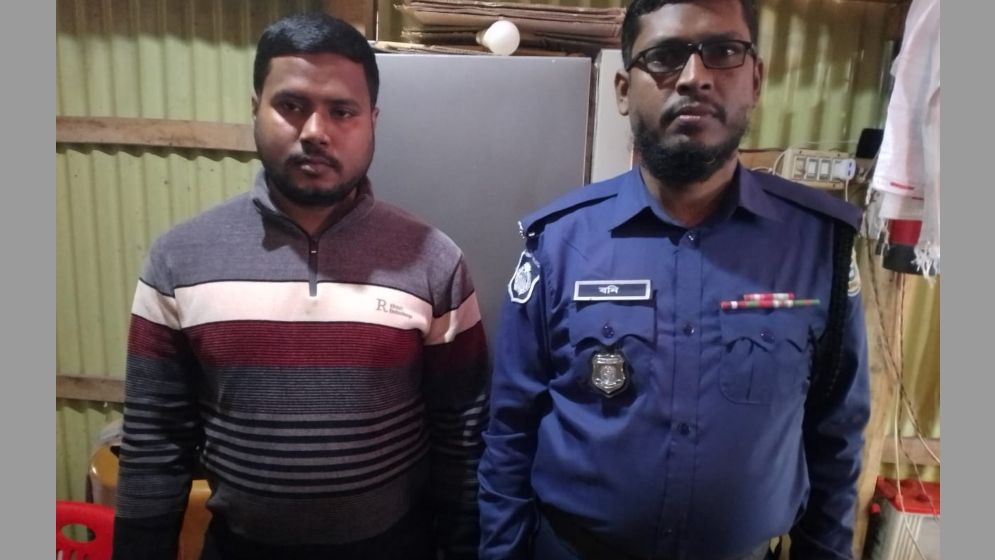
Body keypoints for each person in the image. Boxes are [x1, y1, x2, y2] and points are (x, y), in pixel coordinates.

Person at [478, 0, 870, 559]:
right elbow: (509, 433)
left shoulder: (819, 244)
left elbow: (837, 433)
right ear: (622, 89)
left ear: (756, 79)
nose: (694, 77)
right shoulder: (558, 243)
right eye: (664, 56)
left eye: (723, 51)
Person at [111, 13, 488, 560]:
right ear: (255, 108)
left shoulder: (433, 261)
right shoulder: (179, 259)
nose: (315, 131)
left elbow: (462, 436)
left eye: (342, 111)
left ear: (372, 120)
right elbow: (155, 440)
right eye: (291, 105)